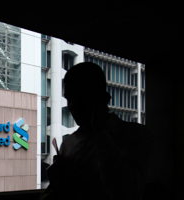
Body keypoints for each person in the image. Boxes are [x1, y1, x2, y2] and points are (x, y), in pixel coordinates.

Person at [40, 62, 152, 200]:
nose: (72, 105)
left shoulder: (136, 136)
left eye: (80, 97)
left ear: (101, 98)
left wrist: (100, 132)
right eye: (69, 98)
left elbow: (128, 192)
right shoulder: (67, 145)